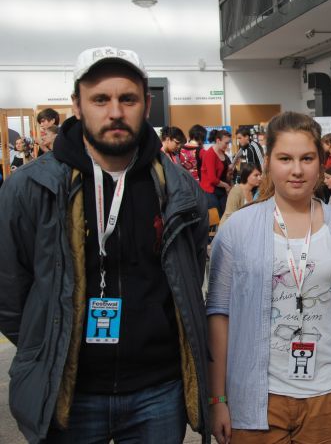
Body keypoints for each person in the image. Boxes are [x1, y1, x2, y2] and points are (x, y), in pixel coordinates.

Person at [0, 47, 210, 442]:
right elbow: (9, 293)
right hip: (70, 393)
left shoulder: (179, 190)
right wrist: (43, 347)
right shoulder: (30, 189)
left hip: (158, 391)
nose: (115, 112)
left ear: (146, 105)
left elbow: (188, 276)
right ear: (77, 105)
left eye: (127, 99)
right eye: (100, 99)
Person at [207, 111, 331, 444]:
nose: (297, 170)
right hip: (256, 397)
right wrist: (218, 398)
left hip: (329, 394)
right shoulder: (238, 229)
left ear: (321, 164)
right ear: (269, 162)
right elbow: (218, 315)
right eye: (285, 158)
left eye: (307, 158)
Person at [200, 129, 232, 216]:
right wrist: (226, 186)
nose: (227, 145)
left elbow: (223, 171)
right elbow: (212, 179)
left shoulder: (222, 152)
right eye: (226, 143)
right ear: (218, 141)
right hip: (211, 191)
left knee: (226, 216)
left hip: (221, 190)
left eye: (228, 143)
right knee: (217, 218)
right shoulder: (210, 154)